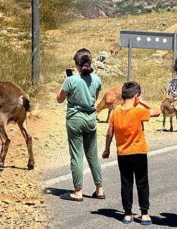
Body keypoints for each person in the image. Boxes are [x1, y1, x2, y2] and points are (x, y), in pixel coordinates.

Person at [102, 81, 161, 225]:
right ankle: (145, 214)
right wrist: (143, 102)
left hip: (123, 154)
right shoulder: (138, 111)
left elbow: (110, 132)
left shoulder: (116, 112)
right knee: (142, 182)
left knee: (126, 182)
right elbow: (158, 111)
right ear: (136, 96)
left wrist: (107, 149)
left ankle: (128, 214)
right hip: (139, 152)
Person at [56, 48, 105, 202]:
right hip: (91, 119)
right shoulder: (97, 80)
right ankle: (100, 189)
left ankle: (78, 191)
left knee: (77, 155)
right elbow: (94, 98)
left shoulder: (71, 80)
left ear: (76, 64)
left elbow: (59, 99)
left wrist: (66, 81)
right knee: (92, 155)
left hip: (75, 120)